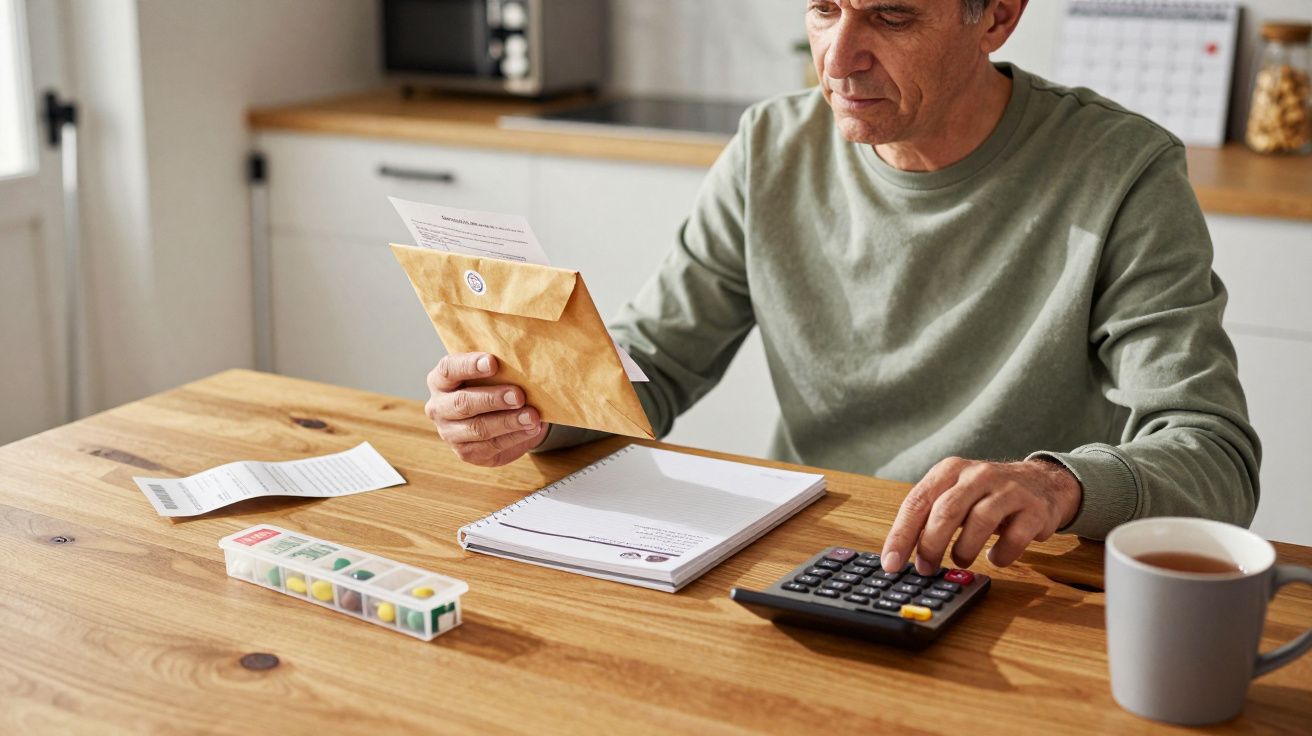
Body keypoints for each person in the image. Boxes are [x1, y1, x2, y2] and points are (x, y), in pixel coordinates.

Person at [423, 0, 1260, 577]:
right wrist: (533, 407)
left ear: (998, 16)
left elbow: (1213, 454)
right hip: (805, 550)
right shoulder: (770, 146)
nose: (839, 57)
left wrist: (1056, 485)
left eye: (891, 15)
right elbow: (655, 366)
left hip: (1013, 579)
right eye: (823, 8)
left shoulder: (1122, 171)